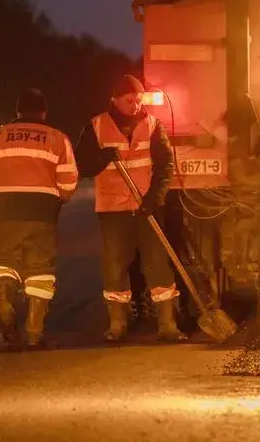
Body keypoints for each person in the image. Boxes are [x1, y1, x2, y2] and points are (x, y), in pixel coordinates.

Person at [74, 74, 186, 343]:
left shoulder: (152, 125)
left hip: (146, 207)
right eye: (129, 101)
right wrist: (103, 157)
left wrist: (155, 198)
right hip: (113, 209)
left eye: (138, 100)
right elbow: (83, 165)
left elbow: (165, 166)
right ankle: (117, 325)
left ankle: (168, 325)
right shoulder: (97, 126)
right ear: (115, 100)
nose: (135, 106)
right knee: (114, 267)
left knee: (158, 264)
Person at [0, 88, 78, 346]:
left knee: (4, 262)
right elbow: (68, 178)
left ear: (18, 111)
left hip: (7, 210)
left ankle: (4, 301)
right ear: (44, 112)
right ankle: (34, 329)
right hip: (42, 211)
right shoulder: (57, 138)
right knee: (40, 269)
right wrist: (59, 199)